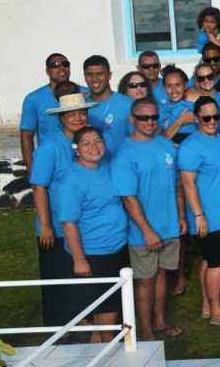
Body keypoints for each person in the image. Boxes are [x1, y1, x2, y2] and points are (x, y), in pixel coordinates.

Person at [111, 98, 185, 340]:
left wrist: (181, 216)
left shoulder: (165, 145)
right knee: (145, 280)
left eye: (153, 117)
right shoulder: (125, 152)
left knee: (163, 273)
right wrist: (147, 230)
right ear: (132, 120)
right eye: (143, 117)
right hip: (143, 231)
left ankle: (160, 321)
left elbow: (176, 185)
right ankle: (144, 330)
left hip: (169, 225)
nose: (149, 122)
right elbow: (128, 198)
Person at [54, 126, 129, 342]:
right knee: (106, 307)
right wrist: (79, 260)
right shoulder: (71, 181)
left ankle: (102, 344)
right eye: (86, 143)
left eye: (97, 141)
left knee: (112, 304)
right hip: (94, 253)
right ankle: (110, 348)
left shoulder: (106, 167)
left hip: (117, 247)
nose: (94, 147)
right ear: (76, 149)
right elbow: (69, 223)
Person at [30, 83, 95, 327]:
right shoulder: (49, 147)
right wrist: (45, 224)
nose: (78, 118)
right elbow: (39, 186)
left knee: (80, 276)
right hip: (56, 226)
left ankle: (84, 321)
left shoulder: (89, 141)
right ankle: (59, 328)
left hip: (82, 225)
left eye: (82, 113)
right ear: (62, 117)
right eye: (72, 114)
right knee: (57, 278)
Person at [178, 96, 220, 326]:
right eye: (206, 117)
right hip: (210, 215)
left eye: (216, 116)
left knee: (210, 260)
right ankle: (217, 311)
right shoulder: (191, 146)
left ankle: (209, 306)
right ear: (196, 117)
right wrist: (198, 214)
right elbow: (187, 182)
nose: (212, 121)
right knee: (216, 262)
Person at [21, 53, 75, 169]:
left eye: (65, 64)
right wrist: (31, 167)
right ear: (47, 71)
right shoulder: (34, 99)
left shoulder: (83, 94)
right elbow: (27, 135)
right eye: (55, 65)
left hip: (81, 162)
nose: (61, 68)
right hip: (50, 163)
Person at [83, 55, 134, 156]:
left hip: (120, 166)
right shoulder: (80, 106)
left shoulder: (127, 104)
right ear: (85, 76)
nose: (95, 79)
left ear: (109, 75)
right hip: (91, 168)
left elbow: (136, 140)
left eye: (100, 74)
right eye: (90, 74)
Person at [160, 66, 196, 144]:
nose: (174, 90)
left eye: (177, 85)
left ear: (185, 86)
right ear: (164, 88)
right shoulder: (161, 110)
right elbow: (161, 139)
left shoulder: (192, 106)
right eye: (169, 86)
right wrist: (181, 119)